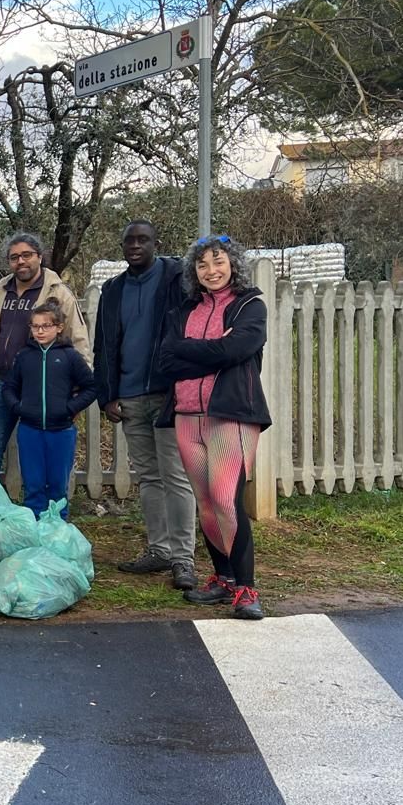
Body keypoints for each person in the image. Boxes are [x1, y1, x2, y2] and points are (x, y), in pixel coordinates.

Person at [157, 235, 271, 620]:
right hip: (187, 415)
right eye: (202, 264)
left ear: (233, 264)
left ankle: (246, 589)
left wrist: (188, 349)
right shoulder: (184, 310)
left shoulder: (249, 306)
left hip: (230, 415)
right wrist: (211, 353)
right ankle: (223, 579)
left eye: (218, 261)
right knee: (205, 504)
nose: (211, 270)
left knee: (225, 500)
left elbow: (235, 350)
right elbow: (165, 361)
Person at [94, 220, 198, 590]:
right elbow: (103, 346)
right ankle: (159, 550)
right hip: (130, 399)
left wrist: (181, 386)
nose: (135, 246)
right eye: (129, 241)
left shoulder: (177, 280)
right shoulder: (113, 289)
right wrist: (107, 395)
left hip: (168, 395)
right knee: (150, 479)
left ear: (156, 243)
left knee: (176, 477)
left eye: (143, 240)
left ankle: (183, 559)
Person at [0, 233, 90, 475]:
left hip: (42, 386)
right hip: (1, 381)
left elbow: (78, 338)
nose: (20, 261)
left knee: (41, 451)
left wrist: (76, 388)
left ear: (39, 257)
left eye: (26, 255)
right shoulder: (1, 291)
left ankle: (44, 496)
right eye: (14, 257)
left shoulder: (57, 293)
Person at [4, 301, 97, 518]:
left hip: (61, 431)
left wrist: (70, 408)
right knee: (33, 483)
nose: (40, 331)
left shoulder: (69, 356)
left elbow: (91, 387)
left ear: (59, 327)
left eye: (46, 326)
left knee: (57, 484)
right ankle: (35, 524)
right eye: (35, 326)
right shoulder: (24, 356)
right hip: (30, 430)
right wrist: (19, 407)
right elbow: (9, 388)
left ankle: (57, 525)